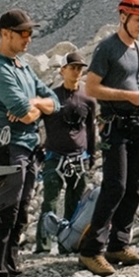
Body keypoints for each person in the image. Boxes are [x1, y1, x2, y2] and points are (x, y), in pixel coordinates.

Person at [0, 10, 55, 277]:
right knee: (5, 214)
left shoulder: (22, 66)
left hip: (27, 146)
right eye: (22, 33)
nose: (28, 38)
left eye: (30, 33)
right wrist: (35, 107)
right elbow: (24, 115)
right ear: (4, 33)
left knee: (20, 215)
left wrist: (35, 102)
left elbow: (54, 100)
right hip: (7, 146)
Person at [78, 0, 139, 277]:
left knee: (133, 187)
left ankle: (118, 243)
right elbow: (91, 88)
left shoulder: (138, 48)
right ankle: (90, 250)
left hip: (136, 124)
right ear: (123, 17)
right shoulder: (106, 48)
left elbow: (136, 82)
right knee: (115, 186)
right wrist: (128, 96)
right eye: (137, 20)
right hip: (114, 125)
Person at [34, 50, 97, 252]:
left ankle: (67, 244)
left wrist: (92, 154)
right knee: (49, 203)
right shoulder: (50, 98)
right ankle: (42, 246)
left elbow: (91, 128)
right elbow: (33, 123)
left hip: (79, 158)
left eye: (79, 68)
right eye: (73, 68)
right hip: (54, 156)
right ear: (62, 70)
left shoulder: (88, 98)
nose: (77, 71)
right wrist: (37, 152)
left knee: (75, 203)